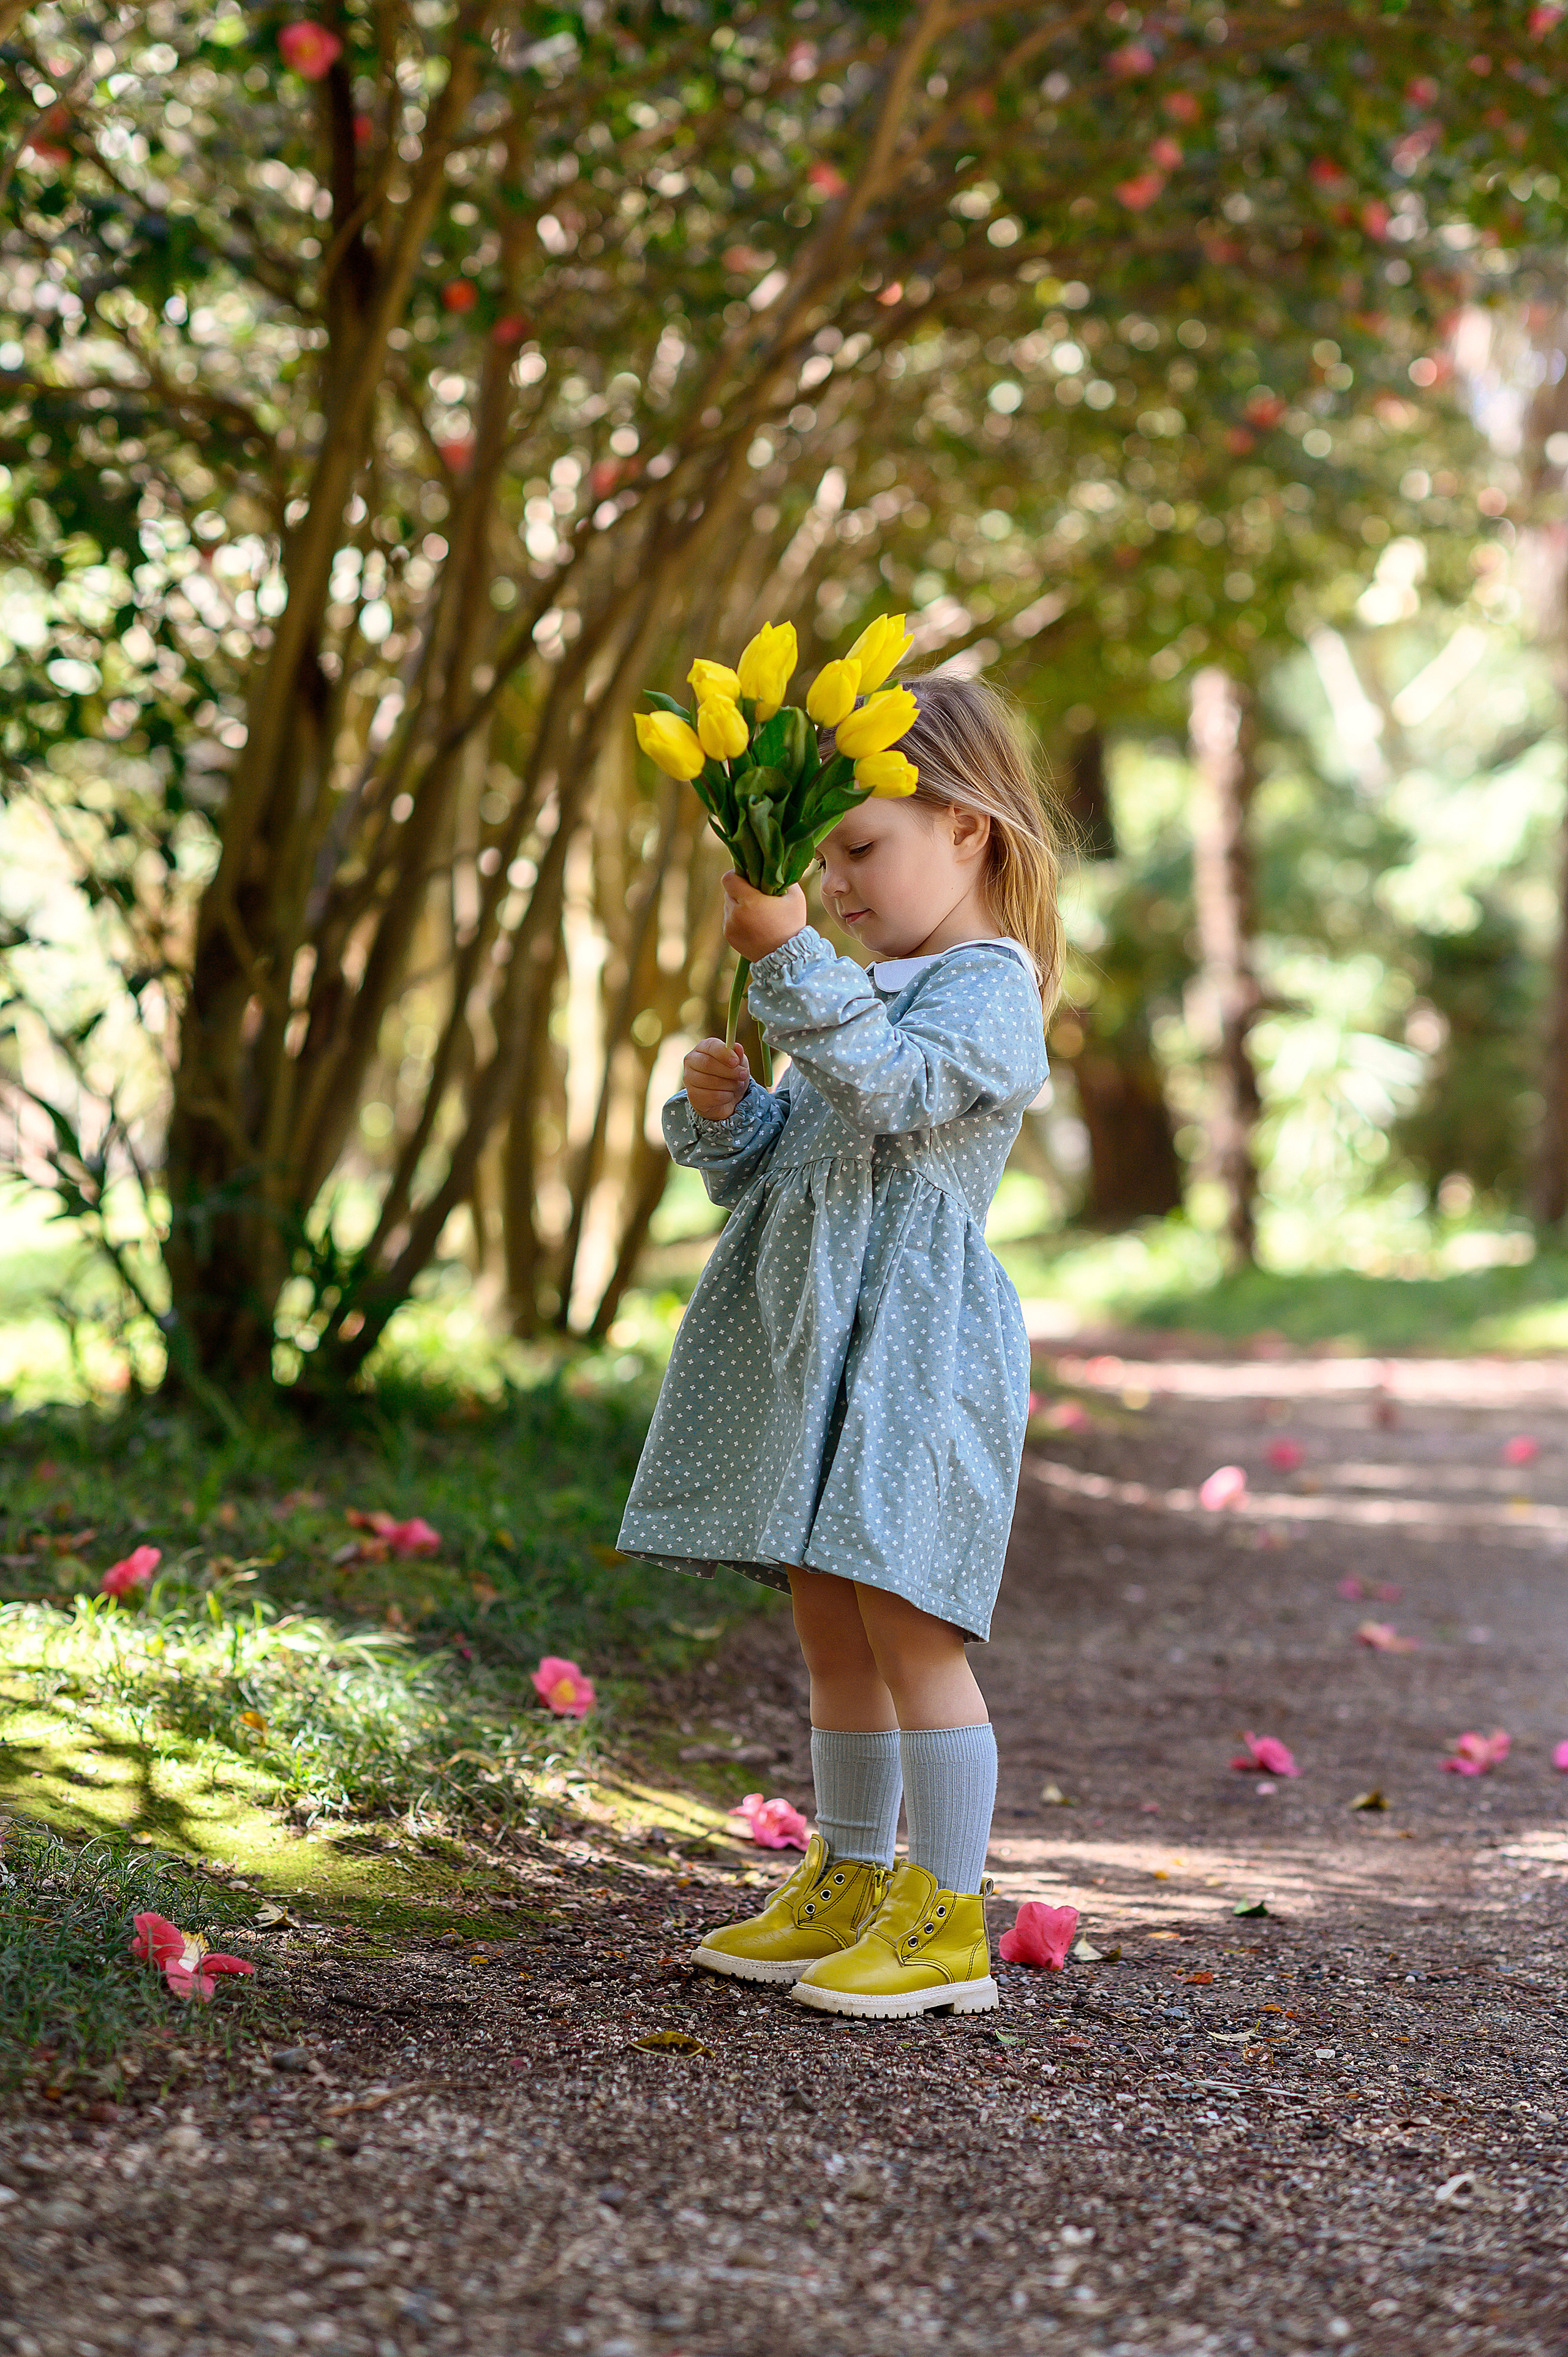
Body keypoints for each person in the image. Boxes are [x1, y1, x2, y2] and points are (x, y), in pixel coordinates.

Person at [616, 671, 1064, 2019]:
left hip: (912, 1355)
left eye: (859, 848)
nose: (837, 883)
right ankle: (852, 1876)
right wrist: (731, 1113)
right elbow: (798, 1164)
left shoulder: (989, 989)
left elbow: (893, 1093)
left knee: (908, 1626)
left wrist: (786, 957)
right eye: (825, 861)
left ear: (966, 829)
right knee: (830, 1625)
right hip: (823, 1351)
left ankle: (948, 1919)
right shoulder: (866, 989)